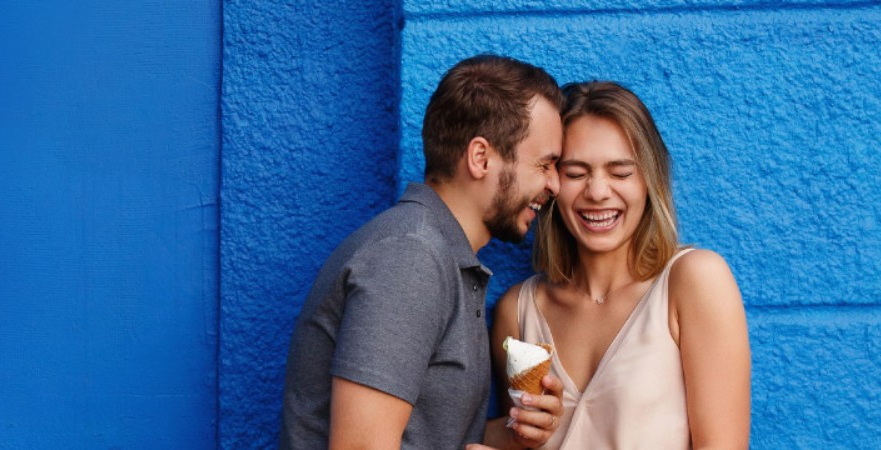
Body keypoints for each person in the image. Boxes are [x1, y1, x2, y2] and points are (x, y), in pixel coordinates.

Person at [280, 54, 567, 450]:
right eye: (545, 164)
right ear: (481, 157)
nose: (555, 184)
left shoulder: (444, 259)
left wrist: (516, 434)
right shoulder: (410, 259)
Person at [489, 81, 752, 449]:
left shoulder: (694, 281)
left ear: (649, 179)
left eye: (620, 172)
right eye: (576, 173)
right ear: (550, 182)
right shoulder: (516, 312)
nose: (597, 192)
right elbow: (515, 440)